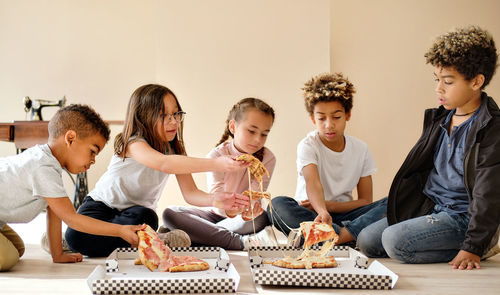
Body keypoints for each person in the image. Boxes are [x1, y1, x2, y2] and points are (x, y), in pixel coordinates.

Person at [356, 25, 500, 270]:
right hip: (430, 208)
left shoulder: (491, 127)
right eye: (437, 80)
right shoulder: (439, 118)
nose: (438, 88)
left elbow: (488, 195)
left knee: (394, 242)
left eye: (448, 81)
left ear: (476, 82)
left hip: (463, 218)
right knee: (367, 242)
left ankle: (482, 245)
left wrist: (472, 247)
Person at [65, 84, 250, 257]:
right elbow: (163, 164)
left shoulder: (175, 151)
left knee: (147, 217)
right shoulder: (133, 143)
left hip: (135, 214)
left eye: (176, 114)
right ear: (143, 117)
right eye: (164, 116)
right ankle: (155, 240)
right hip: (100, 206)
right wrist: (217, 163)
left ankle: (100, 240)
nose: (173, 122)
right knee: (75, 236)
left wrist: (216, 200)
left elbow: (191, 193)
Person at [0, 104, 141, 271]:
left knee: (18, 248)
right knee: (7, 258)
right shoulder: (42, 167)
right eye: (92, 151)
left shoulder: (49, 164)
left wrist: (57, 255)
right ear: (71, 138)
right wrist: (120, 230)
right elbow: (71, 218)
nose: (93, 160)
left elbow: (55, 212)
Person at [267, 73, 387, 246]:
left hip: (345, 214)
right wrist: (322, 210)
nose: (329, 124)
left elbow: (365, 201)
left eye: (336, 117)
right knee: (276, 205)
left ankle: (337, 236)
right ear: (312, 119)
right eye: (321, 118)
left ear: (348, 115)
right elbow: (312, 182)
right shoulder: (308, 145)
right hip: (312, 213)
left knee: (395, 202)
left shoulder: (361, 149)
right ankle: (342, 235)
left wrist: (330, 207)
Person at [162, 97, 278, 250]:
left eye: (264, 134)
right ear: (233, 127)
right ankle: (240, 242)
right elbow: (216, 199)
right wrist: (229, 210)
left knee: (262, 217)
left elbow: (255, 196)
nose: (257, 139)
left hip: (242, 219)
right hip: (214, 215)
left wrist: (249, 210)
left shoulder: (268, 159)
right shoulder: (217, 156)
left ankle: (198, 235)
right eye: (251, 131)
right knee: (170, 214)